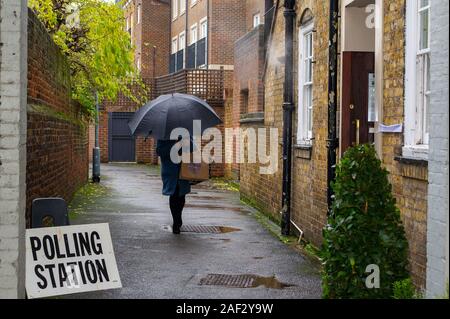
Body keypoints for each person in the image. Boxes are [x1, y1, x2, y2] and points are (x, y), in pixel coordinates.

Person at [156, 139, 191, 234]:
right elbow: (159, 151)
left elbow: (192, 148)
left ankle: (178, 218)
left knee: (181, 196)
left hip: (183, 170)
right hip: (170, 170)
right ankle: (176, 222)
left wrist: (182, 143)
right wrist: (174, 146)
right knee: (174, 194)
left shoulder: (185, 134)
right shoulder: (163, 137)